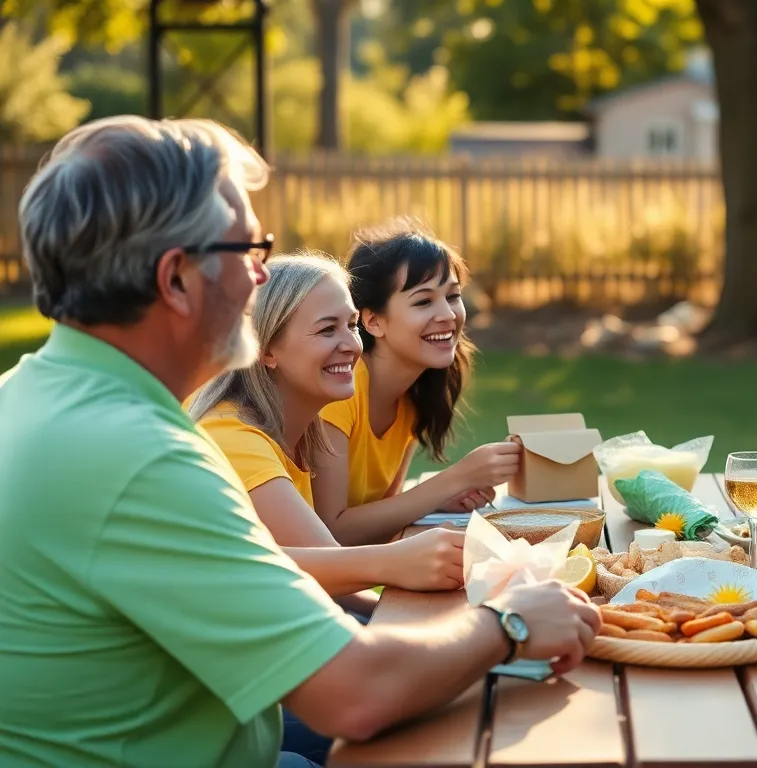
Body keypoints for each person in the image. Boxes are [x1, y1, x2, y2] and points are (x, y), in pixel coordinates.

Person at [0, 115, 600, 768]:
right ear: (176, 280)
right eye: (250, 254)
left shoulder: (34, 398)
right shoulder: (138, 458)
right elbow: (356, 695)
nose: (262, 281)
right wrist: (510, 623)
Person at [189, 253, 465, 620]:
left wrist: (396, 610)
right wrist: (402, 558)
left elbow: (323, 581)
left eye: (351, 325)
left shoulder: (302, 432)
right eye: (326, 330)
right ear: (265, 349)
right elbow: (328, 565)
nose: (352, 345)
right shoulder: (232, 436)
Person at [311, 221, 520, 546]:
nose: (448, 315)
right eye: (423, 302)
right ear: (373, 321)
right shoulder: (341, 391)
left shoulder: (411, 397)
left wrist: (436, 499)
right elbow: (332, 533)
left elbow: (381, 522)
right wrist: (456, 478)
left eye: (452, 296)